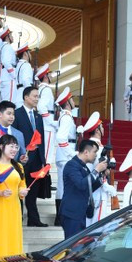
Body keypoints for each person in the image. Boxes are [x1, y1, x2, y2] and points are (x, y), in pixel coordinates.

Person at [12, 87, 47, 227]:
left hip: (37, 159)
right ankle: (17, 217)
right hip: (22, 158)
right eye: (34, 96)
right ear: (26, 97)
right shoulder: (17, 114)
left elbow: (42, 139)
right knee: (19, 189)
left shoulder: (38, 116)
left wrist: (43, 160)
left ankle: (34, 219)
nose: (37, 99)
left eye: (38, 96)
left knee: (33, 190)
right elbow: (13, 137)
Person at [60, 139, 108, 239]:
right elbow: (81, 184)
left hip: (80, 213)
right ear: (86, 152)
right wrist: (96, 170)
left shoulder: (83, 166)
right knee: (72, 247)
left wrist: (101, 178)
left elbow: (88, 187)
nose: (95, 155)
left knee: (78, 247)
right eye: (94, 152)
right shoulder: (71, 165)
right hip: (72, 214)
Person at [77, 112, 116, 226]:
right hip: (98, 191)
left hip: (90, 190)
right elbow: (97, 171)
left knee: (89, 225)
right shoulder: (97, 148)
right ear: (98, 130)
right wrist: (107, 186)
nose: (103, 129)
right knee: (97, 227)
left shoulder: (89, 146)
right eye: (102, 127)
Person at [54, 87, 76, 225]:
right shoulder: (67, 117)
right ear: (68, 102)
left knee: (62, 186)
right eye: (72, 99)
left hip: (63, 155)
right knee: (63, 187)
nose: (74, 101)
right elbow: (61, 137)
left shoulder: (65, 116)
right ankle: (60, 217)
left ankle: (60, 217)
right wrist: (71, 153)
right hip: (65, 155)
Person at [35, 64, 57, 162]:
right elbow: (41, 107)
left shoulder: (40, 89)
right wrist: (50, 121)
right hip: (47, 125)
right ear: (45, 76)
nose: (51, 76)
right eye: (49, 74)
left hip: (43, 123)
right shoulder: (47, 89)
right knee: (47, 155)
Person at [0, 28, 16, 103]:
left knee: (4, 101)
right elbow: (5, 61)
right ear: (7, 36)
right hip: (9, 77)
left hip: (5, 75)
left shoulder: (3, 47)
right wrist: (13, 74)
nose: (12, 37)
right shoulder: (7, 47)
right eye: (11, 35)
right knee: (9, 102)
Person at [13, 44, 33, 110]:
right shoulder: (26, 65)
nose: (30, 55)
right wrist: (30, 95)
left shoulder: (18, 65)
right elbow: (26, 80)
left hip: (17, 94)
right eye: (29, 53)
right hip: (24, 95)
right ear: (25, 54)